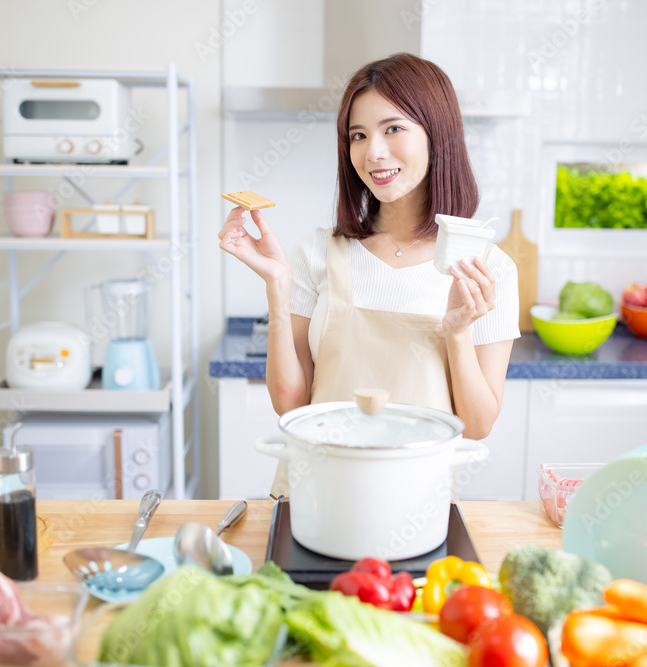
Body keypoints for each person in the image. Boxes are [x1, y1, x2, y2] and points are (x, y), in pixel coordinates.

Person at [218, 53, 520, 498]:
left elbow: (476, 428)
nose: (373, 152)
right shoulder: (316, 252)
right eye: (358, 135)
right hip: (313, 498)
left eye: (393, 128)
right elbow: (290, 404)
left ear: (438, 135)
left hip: (417, 506)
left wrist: (457, 333)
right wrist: (277, 286)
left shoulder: (485, 268)